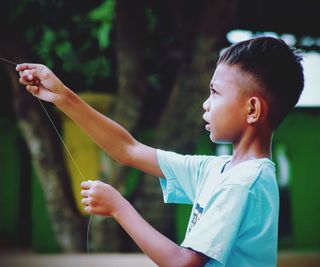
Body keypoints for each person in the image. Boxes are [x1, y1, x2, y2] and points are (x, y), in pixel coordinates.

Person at [16, 36, 304, 267]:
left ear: (252, 109)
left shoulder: (243, 183)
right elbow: (128, 149)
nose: (206, 104)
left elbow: (183, 263)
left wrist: (119, 207)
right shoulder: (217, 170)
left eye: (215, 93)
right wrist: (62, 96)